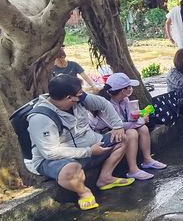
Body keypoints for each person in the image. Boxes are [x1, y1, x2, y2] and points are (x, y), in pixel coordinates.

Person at [26, 74, 134, 211]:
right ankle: (83, 192)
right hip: (60, 159)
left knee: (122, 139)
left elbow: (104, 103)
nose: (82, 96)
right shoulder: (41, 118)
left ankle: (105, 177)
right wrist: (89, 151)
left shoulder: (80, 99)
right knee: (71, 170)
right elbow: (50, 152)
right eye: (79, 94)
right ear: (69, 98)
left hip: (92, 147)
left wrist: (118, 127)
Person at [92, 73, 167, 181]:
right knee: (132, 132)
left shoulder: (124, 99)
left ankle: (147, 159)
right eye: (129, 87)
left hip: (117, 128)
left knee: (143, 128)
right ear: (123, 90)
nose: (131, 89)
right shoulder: (104, 104)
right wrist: (141, 121)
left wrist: (138, 117)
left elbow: (129, 116)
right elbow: (118, 125)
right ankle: (133, 169)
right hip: (102, 133)